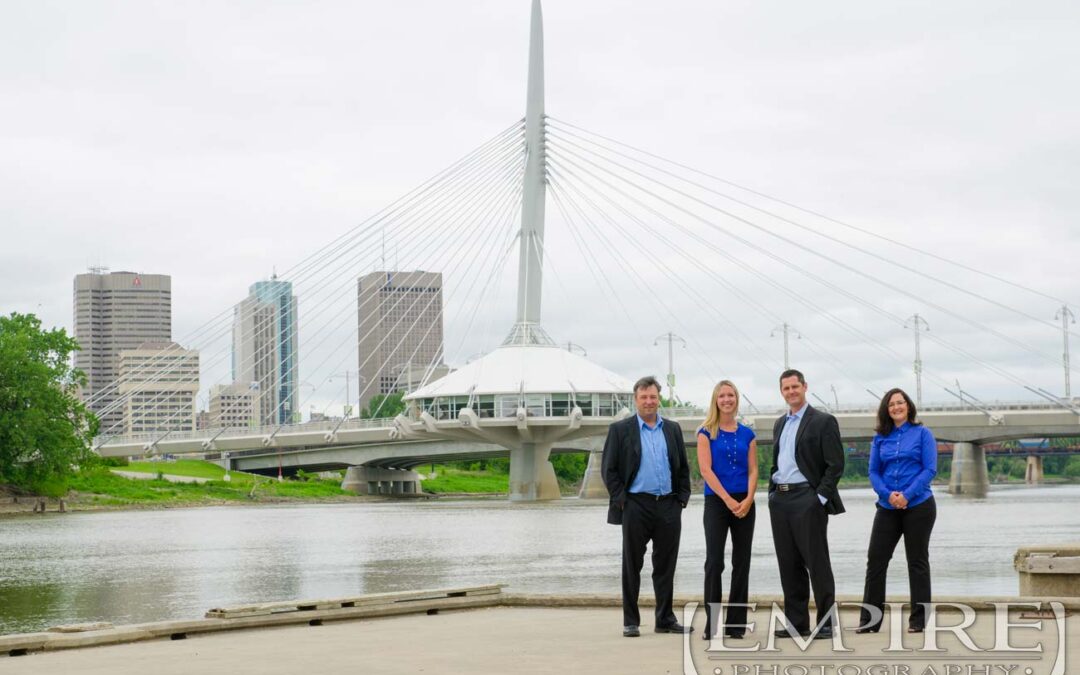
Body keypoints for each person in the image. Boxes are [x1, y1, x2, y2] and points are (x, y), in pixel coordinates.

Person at [602, 375, 693, 638]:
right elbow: (609, 471)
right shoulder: (620, 430)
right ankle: (631, 621)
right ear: (636, 399)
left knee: (666, 566)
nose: (649, 402)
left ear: (659, 398)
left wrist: (681, 499)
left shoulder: (672, 429)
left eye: (653, 397)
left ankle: (664, 618)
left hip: (668, 505)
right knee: (632, 566)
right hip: (635, 505)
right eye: (644, 397)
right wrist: (623, 501)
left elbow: (683, 468)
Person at [769, 369, 845, 639]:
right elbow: (778, 460)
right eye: (786, 388)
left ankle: (826, 623)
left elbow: (836, 465)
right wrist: (772, 494)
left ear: (804, 387)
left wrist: (819, 499)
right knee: (788, 564)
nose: (791, 392)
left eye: (795, 387)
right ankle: (796, 622)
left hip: (807, 499)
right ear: (782, 392)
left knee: (817, 562)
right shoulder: (779, 424)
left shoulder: (823, 421)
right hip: (780, 500)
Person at [857, 387, 938, 634]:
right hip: (887, 506)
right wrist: (888, 495)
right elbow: (873, 472)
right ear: (886, 410)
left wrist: (906, 495)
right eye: (891, 404)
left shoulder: (923, 434)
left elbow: (929, 470)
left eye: (900, 403)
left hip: (919, 505)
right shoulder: (880, 438)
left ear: (908, 406)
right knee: (876, 561)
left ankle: (918, 621)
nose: (896, 407)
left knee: (917, 562)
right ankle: (870, 622)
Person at [697, 380, 758, 640]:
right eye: (722, 396)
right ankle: (711, 623)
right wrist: (727, 500)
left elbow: (754, 470)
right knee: (714, 562)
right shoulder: (705, 432)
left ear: (736, 399)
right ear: (715, 400)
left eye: (730, 395)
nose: (726, 399)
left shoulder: (748, 434)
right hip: (717, 503)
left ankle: (736, 625)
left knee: (741, 563)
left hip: (745, 502)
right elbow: (705, 470)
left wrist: (748, 499)